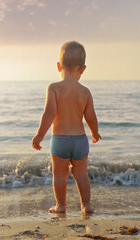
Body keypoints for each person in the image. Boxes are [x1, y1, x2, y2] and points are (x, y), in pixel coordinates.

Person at [32, 41, 101, 214]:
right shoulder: (85, 92)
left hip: (60, 141)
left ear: (58, 66)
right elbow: (91, 117)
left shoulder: (54, 88)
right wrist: (94, 132)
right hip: (80, 140)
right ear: (83, 69)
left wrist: (39, 136)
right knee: (81, 175)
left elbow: (49, 114)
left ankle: (61, 205)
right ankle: (86, 205)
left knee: (59, 176)